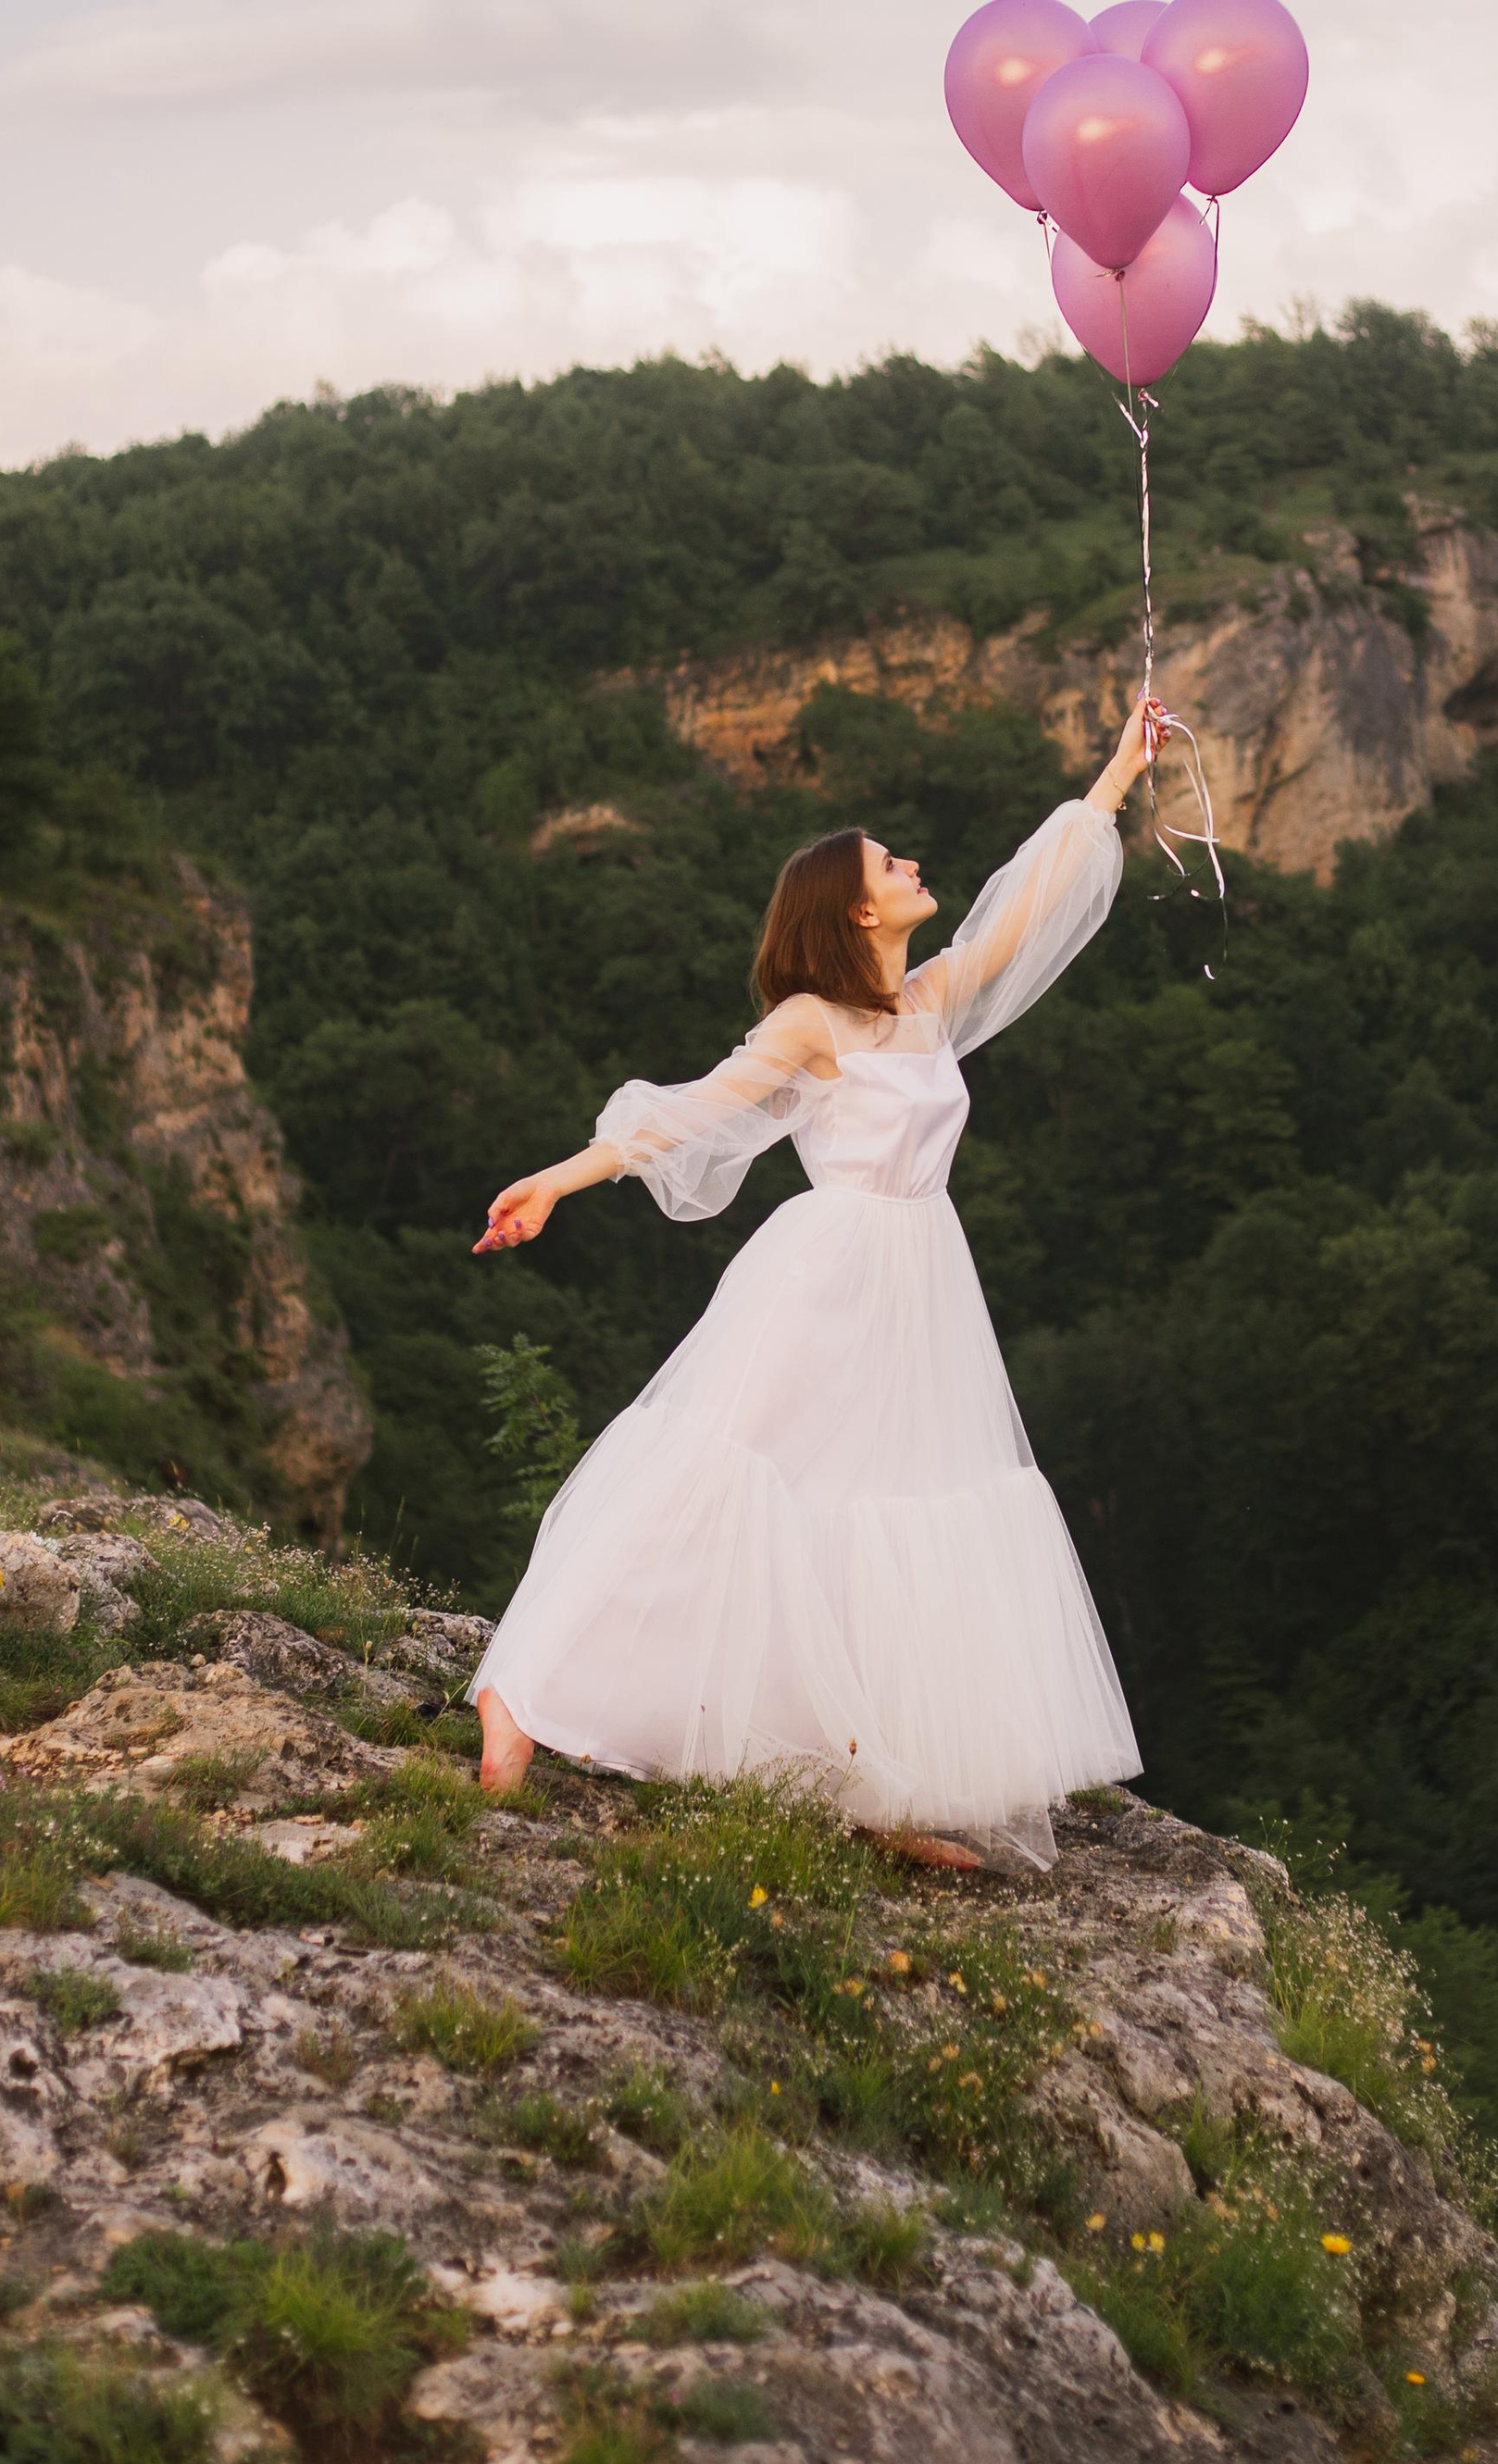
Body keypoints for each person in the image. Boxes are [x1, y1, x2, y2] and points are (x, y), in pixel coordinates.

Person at [466, 705, 1160, 1868]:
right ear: (853, 909)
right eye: (891, 864)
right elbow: (694, 1110)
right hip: (824, 1278)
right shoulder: (809, 1023)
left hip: (922, 1288)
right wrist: (558, 1179)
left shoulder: (928, 1001)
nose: (914, 868)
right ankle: (522, 1693)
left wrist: (1120, 771)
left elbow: (1025, 903)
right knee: (714, 1483)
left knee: (884, 1515)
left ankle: (868, 1789)